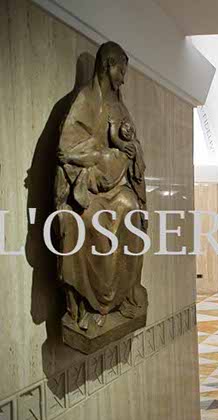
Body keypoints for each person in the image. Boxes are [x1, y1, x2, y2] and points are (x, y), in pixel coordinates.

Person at [56, 41, 148, 331]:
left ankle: (121, 297)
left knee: (131, 210)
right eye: (121, 71)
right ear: (108, 66)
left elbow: (133, 145)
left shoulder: (120, 107)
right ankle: (91, 302)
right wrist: (103, 156)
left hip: (116, 185)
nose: (123, 79)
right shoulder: (85, 100)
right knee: (89, 223)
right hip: (87, 187)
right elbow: (66, 148)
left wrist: (131, 150)